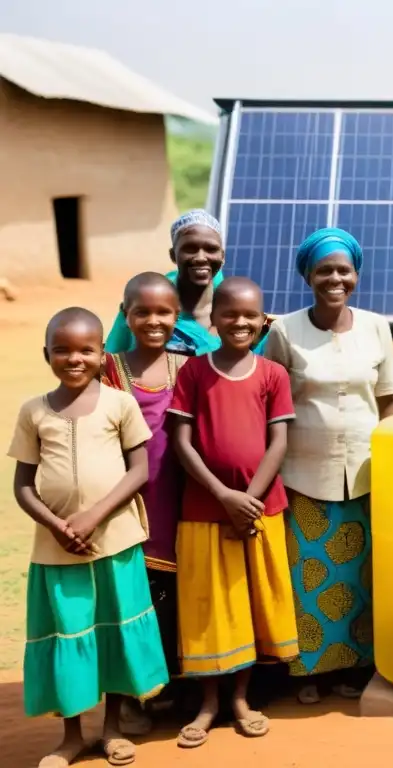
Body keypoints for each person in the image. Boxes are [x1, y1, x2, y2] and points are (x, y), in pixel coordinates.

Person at [8, 307, 168, 768]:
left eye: (86, 350)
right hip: (57, 549)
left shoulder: (120, 404)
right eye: (62, 350)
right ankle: (72, 736)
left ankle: (112, 729)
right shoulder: (34, 411)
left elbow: (139, 471)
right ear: (46, 355)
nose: (74, 358)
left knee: (114, 631)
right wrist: (59, 526)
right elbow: (22, 485)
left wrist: (94, 517)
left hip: (114, 540)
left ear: (103, 354)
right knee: (68, 635)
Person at [264, 227, 393, 703]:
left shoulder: (376, 326)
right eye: (324, 270)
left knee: (362, 576)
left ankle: (356, 669)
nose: (335, 279)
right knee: (311, 574)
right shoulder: (284, 331)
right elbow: (271, 402)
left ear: (356, 275)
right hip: (305, 473)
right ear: (308, 276)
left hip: (366, 473)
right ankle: (310, 674)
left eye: (344, 270)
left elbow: (387, 402)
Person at [169, 277, 299, 748]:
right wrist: (224, 495)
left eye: (249, 316)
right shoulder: (193, 373)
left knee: (249, 602)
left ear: (262, 320)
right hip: (204, 509)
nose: (239, 323)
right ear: (213, 319)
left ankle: (242, 700)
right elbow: (182, 444)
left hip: (260, 512)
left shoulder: (272, 374)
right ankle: (208, 703)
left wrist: (250, 500)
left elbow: (279, 440)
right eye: (229, 314)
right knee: (209, 606)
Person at [101, 273, 188, 734]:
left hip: (178, 501)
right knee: (132, 601)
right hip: (125, 504)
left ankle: (172, 688)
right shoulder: (106, 369)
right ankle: (133, 695)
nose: (153, 321)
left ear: (177, 317)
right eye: (142, 312)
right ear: (126, 313)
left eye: (164, 313)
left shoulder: (187, 367)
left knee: (173, 600)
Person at [105, 210, 272, 357]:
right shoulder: (144, 302)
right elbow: (113, 363)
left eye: (211, 249)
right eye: (189, 248)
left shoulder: (241, 308)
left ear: (222, 256)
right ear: (173, 255)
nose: (200, 257)